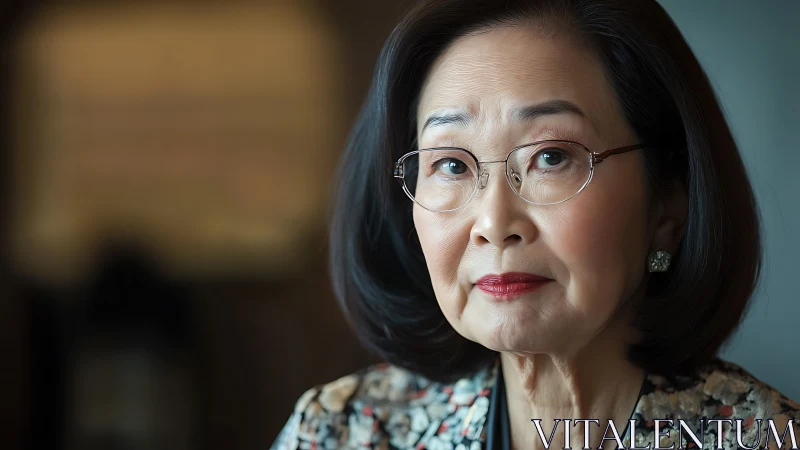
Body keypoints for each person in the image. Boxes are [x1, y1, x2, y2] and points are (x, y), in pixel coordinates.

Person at [272, 0, 800, 448]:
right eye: (451, 165)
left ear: (667, 207)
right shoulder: (344, 432)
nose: (494, 222)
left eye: (550, 157)